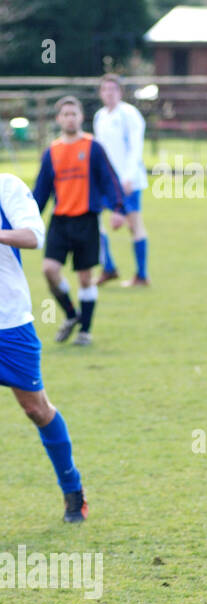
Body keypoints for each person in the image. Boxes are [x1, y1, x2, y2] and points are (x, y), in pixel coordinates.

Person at [0, 173, 89, 522]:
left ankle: (72, 488)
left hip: (9, 322)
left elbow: (34, 236)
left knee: (36, 409)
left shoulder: (6, 186)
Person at [32, 96, 123, 347]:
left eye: (74, 113)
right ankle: (71, 315)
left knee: (85, 278)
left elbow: (109, 179)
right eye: (65, 114)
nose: (70, 118)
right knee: (49, 270)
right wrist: (27, 219)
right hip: (60, 221)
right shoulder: (52, 152)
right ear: (58, 119)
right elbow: (40, 191)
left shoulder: (93, 147)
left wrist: (117, 208)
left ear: (81, 117)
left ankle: (85, 331)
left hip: (87, 219)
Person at [92, 74, 150, 287]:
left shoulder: (129, 114)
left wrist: (127, 177)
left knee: (134, 225)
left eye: (113, 90)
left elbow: (136, 147)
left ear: (120, 92)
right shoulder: (100, 116)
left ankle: (142, 275)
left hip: (128, 181)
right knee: (93, 221)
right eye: (105, 89)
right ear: (101, 93)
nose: (109, 93)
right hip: (105, 182)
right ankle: (108, 267)